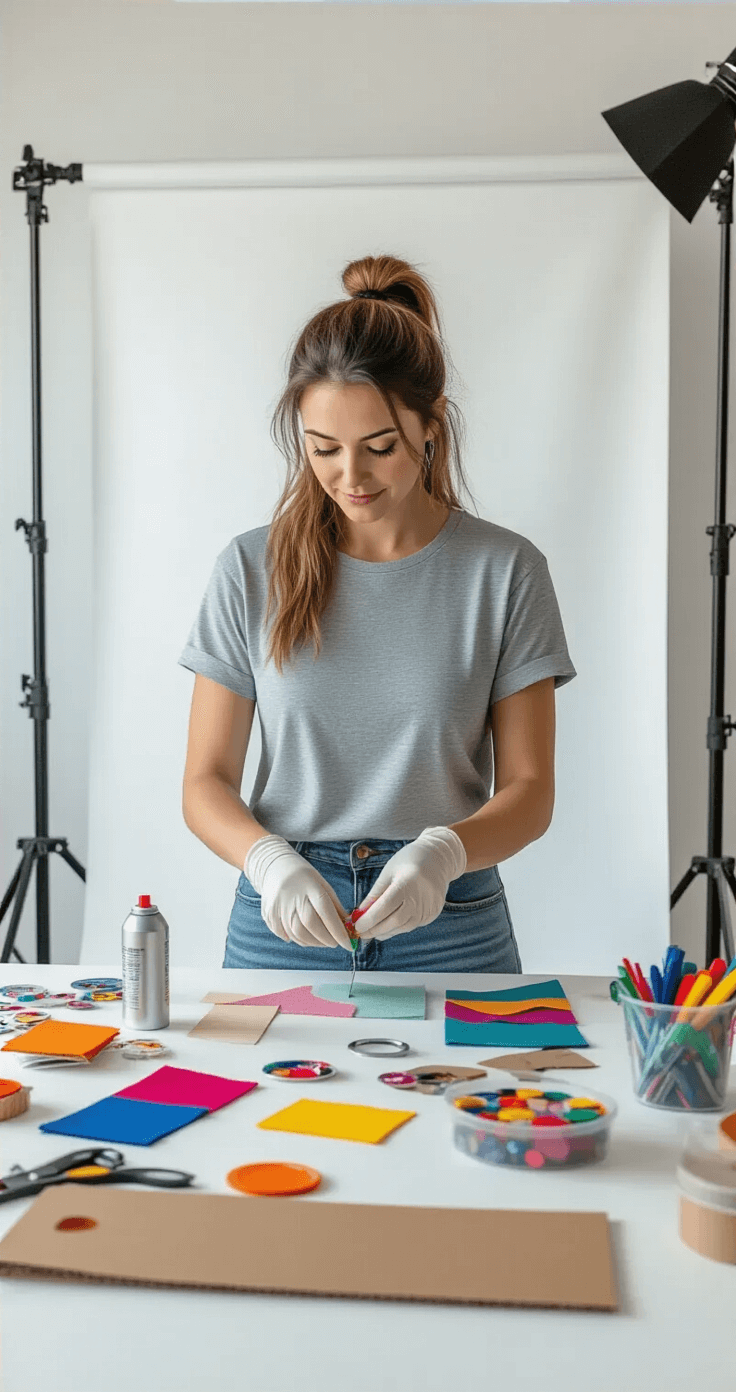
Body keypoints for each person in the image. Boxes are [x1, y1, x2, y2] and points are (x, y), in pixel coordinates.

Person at [179, 253, 577, 974]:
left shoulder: (506, 571)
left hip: (450, 916)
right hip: (284, 922)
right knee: (248, 1092)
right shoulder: (248, 568)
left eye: (379, 447)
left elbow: (530, 788)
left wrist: (443, 851)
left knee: (486, 1094)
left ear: (431, 427)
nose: (350, 478)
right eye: (323, 449)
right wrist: (267, 861)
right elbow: (205, 780)